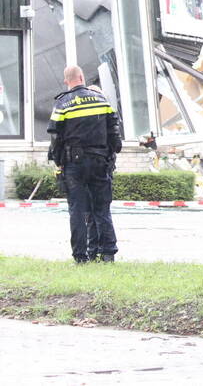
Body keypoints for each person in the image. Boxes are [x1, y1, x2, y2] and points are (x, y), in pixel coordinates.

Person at [47, 65, 122, 264]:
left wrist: (58, 161)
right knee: (102, 209)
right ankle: (108, 254)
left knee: (77, 211)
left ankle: (81, 257)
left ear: (66, 80)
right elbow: (114, 128)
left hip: (74, 164)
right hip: (100, 161)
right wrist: (113, 151)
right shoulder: (100, 99)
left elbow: (55, 136)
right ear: (81, 76)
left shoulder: (62, 103)